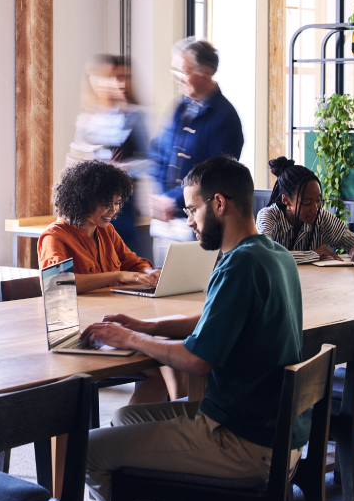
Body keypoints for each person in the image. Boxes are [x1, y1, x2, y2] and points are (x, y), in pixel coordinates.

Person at [81, 156, 309, 501]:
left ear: (219, 204)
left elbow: (197, 360)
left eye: (192, 209)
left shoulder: (238, 266)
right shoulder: (271, 254)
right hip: (276, 433)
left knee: (88, 451)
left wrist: (133, 340)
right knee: (125, 419)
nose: (188, 220)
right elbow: (212, 319)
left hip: (244, 442)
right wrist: (145, 324)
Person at [38, 160, 184, 403]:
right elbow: (57, 285)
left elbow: (133, 263)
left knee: (170, 359)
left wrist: (148, 272)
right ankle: (163, 423)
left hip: (114, 322)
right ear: (83, 199)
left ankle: (142, 430)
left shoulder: (106, 231)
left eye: (117, 203)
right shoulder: (54, 237)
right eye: (106, 204)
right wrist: (117, 276)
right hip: (82, 333)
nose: (113, 211)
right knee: (165, 361)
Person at [147, 38, 243, 266]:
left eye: (183, 71)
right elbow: (158, 153)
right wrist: (162, 198)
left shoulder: (225, 117)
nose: (176, 77)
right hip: (167, 223)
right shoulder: (180, 107)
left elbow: (216, 175)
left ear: (206, 72)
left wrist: (173, 201)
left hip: (202, 226)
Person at [68, 55, 149, 252]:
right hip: (91, 207)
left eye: (120, 77)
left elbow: (150, 161)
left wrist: (121, 168)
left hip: (122, 208)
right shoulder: (88, 119)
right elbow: (73, 161)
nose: (115, 84)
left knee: (126, 259)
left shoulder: (133, 116)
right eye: (108, 78)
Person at [256, 156, 354, 264]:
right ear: (286, 200)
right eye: (306, 203)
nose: (315, 208)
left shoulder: (321, 218)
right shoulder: (268, 216)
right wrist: (313, 254)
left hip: (316, 286)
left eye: (318, 200)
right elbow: (264, 254)